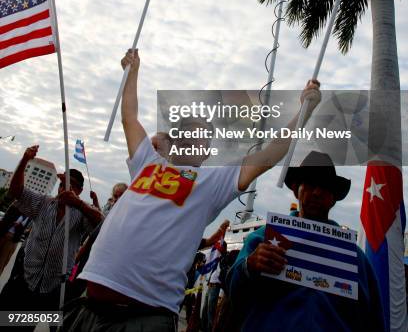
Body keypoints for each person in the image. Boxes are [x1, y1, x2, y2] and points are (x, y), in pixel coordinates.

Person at [63, 49, 321, 331]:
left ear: (208, 149)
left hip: (144, 316)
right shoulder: (147, 161)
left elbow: (271, 154)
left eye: (202, 134)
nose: (194, 137)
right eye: (188, 130)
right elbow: (128, 117)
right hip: (88, 307)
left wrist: (304, 112)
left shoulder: (215, 181)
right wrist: (132, 72)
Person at [227, 151, 386, 331]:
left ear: (333, 198)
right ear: (296, 190)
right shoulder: (262, 239)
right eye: (310, 184)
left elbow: (374, 319)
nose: (317, 192)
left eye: (325, 187)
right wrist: (249, 266)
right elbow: (234, 294)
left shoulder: (355, 258)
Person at [0, 145, 102, 317]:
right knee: (5, 318)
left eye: (72, 186)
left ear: (79, 191)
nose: (65, 188)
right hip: (25, 277)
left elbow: (101, 227)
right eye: (62, 184)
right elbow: (16, 191)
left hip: (52, 286)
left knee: (26, 324)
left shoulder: (82, 214)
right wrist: (25, 160)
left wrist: (79, 203)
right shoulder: (44, 203)